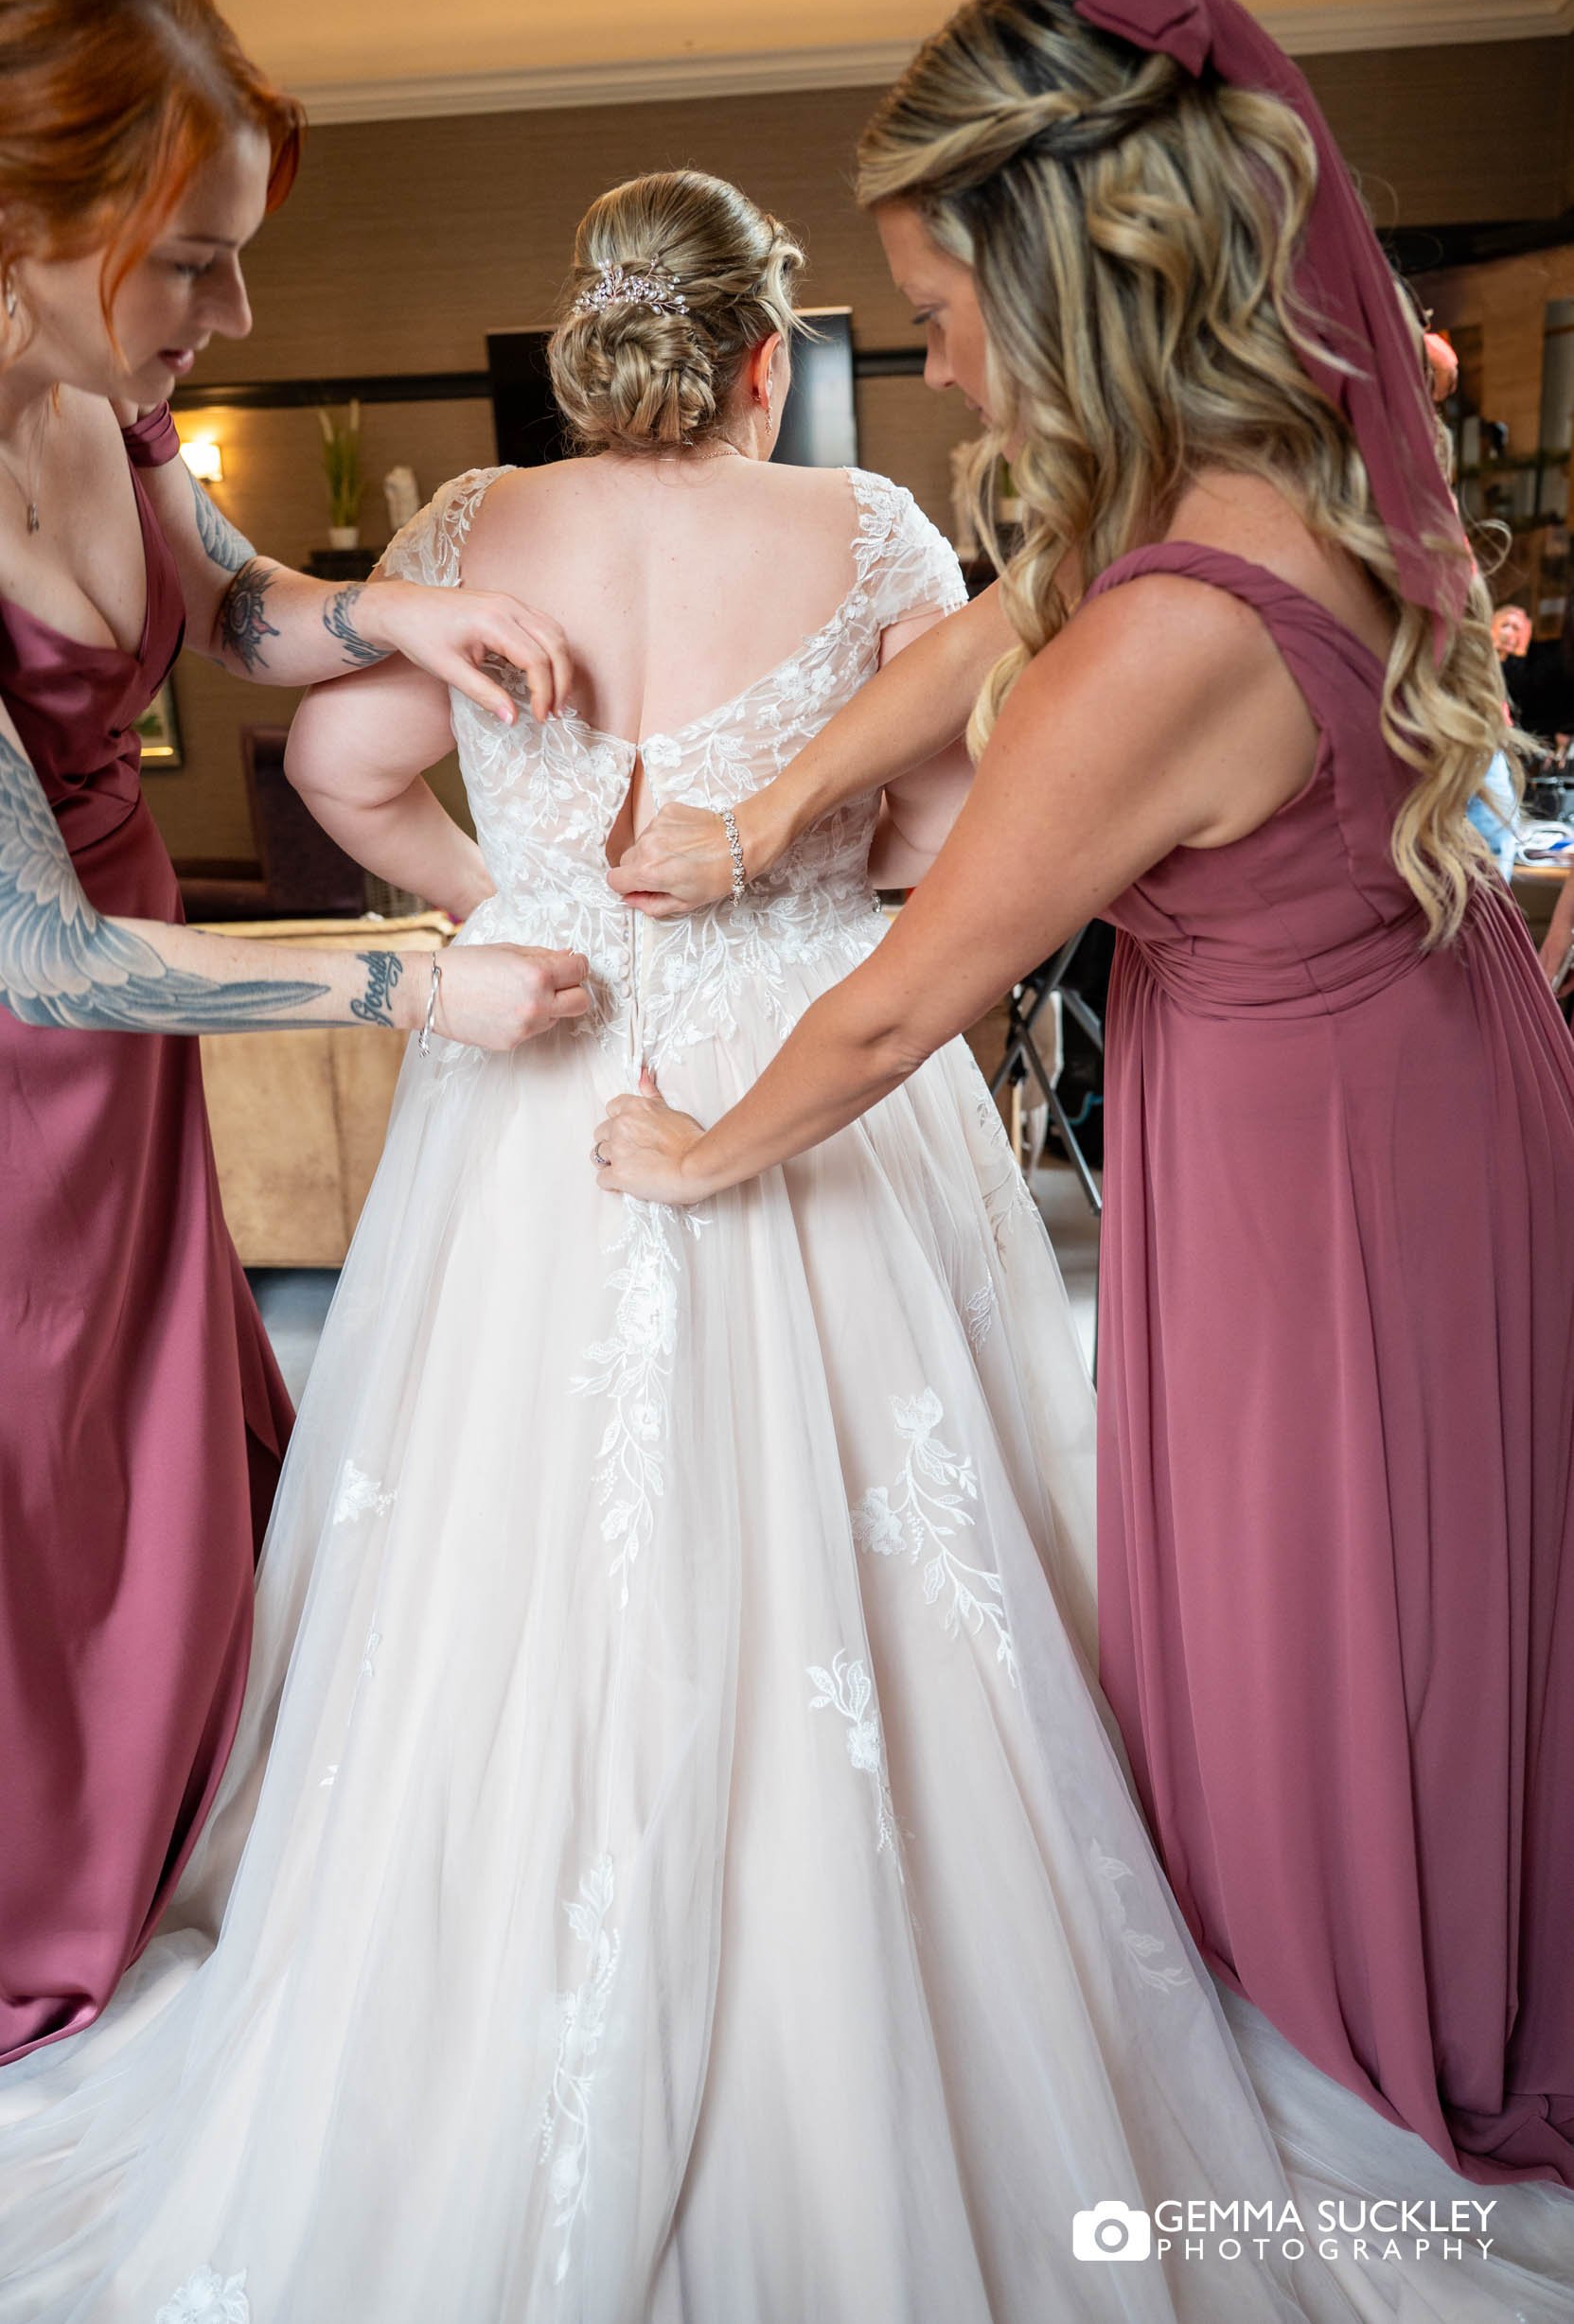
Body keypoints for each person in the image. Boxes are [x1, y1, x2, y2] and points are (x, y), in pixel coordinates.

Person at [0, 165, 1415, 2324]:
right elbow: (955, 819)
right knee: (884, 1530)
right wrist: (818, 862)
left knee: (501, 1551)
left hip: (540, 1079)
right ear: (770, 355)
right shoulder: (861, 535)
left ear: (590, 346)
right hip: (805, 1059)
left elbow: (356, 759)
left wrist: (522, 908)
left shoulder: (473, 525)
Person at [601, 0, 1574, 2210]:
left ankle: (1383, 1989)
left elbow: (911, 994)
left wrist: (695, 1147)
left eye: (941, 301)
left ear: (1070, 276)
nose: (924, 353)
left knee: (1348, 1601)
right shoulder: (1269, 451)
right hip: (1384, 1074)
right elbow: (983, 627)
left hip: (1326, 1150)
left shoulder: (1173, 629)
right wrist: (750, 819)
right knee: (1360, 1584)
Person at [0, 0, 588, 2070]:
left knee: (161, 1445)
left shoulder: (110, 401)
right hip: (32, 1051)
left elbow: (234, 601)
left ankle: (164, 1810)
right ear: (31, 210)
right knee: (35, 1480)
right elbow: (43, 956)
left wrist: (401, 607)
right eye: (201, 265)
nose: (233, 322)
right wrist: (421, 979)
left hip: (132, 1044)